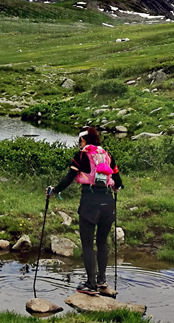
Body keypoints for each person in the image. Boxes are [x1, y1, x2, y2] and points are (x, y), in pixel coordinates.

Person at [47, 126, 122, 295]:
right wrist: (116, 188)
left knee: (88, 245)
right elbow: (117, 181)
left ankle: (90, 284)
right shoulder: (108, 155)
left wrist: (54, 191)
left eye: (79, 140)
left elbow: (69, 178)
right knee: (102, 242)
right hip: (108, 203)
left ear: (83, 140)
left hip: (90, 203)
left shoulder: (81, 156)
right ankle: (102, 281)